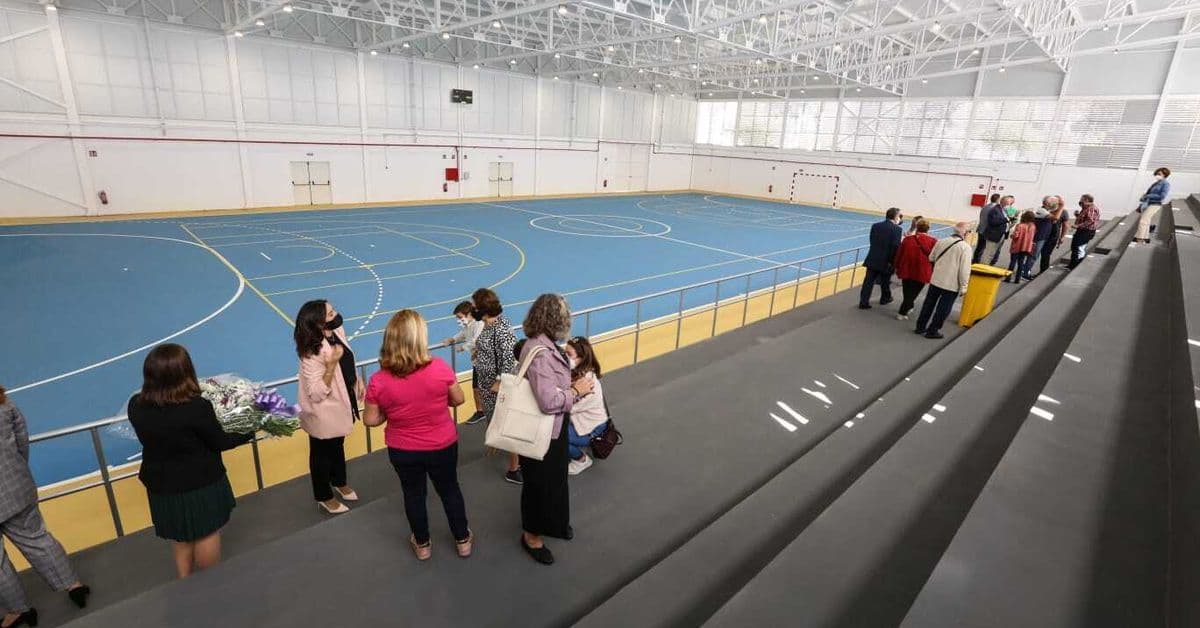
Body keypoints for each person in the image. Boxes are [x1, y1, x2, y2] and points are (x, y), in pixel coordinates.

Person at [127, 344, 254, 579]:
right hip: (200, 484)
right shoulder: (196, 407)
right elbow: (220, 441)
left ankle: (184, 581)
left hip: (162, 486)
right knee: (207, 533)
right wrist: (249, 429)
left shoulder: (136, 405)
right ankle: (208, 585)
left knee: (181, 536)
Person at [364, 310, 472, 561]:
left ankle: (422, 544)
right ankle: (462, 540)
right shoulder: (440, 368)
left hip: (403, 449)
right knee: (449, 490)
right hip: (442, 444)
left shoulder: (378, 380)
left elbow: (370, 419)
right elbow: (458, 399)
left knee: (413, 494)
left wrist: (391, 413)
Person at [0, 386, 90, 628]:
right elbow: (22, 440)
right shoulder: (5, 405)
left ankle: (18, 610)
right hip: (17, 488)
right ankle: (73, 585)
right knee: (37, 538)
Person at [518, 294, 594, 565]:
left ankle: (555, 523)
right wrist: (576, 390)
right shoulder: (540, 351)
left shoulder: (546, 345)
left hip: (554, 428)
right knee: (539, 484)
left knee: (556, 479)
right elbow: (549, 401)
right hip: (542, 429)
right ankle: (531, 535)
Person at [294, 300, 360, 515]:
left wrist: (356, 379)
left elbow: (347, 356)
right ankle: (323, 495)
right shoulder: (311, 353)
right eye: (331, 313)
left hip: (342, 401)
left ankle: (339, 481)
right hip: (323, 411)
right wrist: (330, 366)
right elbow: (316, 392)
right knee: (322, 452)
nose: (337, 314)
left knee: (338, 443)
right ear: (319, 323)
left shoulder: (336, 330)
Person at [468, 288, 521, 484]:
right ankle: (496, 444)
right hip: (487, 387)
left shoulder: (501, 329)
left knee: (508, 425)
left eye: (474, 307)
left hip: (498, 389)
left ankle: (515, 468)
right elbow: (490, 349)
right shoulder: (488, 325)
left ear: (483, 308)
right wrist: (479, 353)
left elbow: (509, 359)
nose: (472, 309)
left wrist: (500, 383)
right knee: (496, 421)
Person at [914, 222, 972, 340]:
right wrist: (964, 286)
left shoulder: (941, 241)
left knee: (928, 304)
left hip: (936, 279)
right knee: (943, 308)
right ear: (964, 233)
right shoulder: (965, 248)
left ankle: (920, 326)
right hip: (951, 283)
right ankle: (933, 330)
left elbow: (931, 257)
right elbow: (964, 270)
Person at [564, 337, 608, 475]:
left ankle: (581, 460)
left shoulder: (588, 383)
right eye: (564, 352)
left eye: (569, 355)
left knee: (554, 439)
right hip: (580, 420)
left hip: (593, 428)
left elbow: (567, 407)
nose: (564, 357)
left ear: (581, 359)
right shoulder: (575, 373)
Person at [443, 301, 485, 423]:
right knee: (476, 387)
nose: (458, 320)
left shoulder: (478, 324)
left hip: (484, 361)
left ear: (469, 314)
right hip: (477, 361)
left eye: (460, 317)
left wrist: (462, 348)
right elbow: (463, 334)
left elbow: (476, 341)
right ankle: (480, 411)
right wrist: (452, 339)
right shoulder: (469, 325)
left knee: (486, 387)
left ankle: (489, 410)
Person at [892, 218, 938, 321]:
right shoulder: (933, 241)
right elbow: (935, 258)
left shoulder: (908, 239)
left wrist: (896, 266)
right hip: (922, 271)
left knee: (907, 291)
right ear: (928, 229)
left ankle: (909, 306)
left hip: (906, 269)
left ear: (917, 228)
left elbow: (899, 254)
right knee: (913, 293)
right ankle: (902, 312)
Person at [858, 207, 904, 310]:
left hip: (873, 258)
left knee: (868, 282)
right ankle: (885, 298)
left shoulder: (876, 226)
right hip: (886, 261)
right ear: (896, 217)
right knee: (885, 281)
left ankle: (863, 302)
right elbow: (895, 246)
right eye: (900, 216)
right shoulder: (897, 229)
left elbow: (872, 240)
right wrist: (892, 262)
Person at [1135, 167, 1171, 243]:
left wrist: (1148, 196)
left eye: (1159, 174)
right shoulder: (1156, 183)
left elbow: (1162, 196)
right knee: (1146, 221)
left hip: (1156, 204)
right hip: (1149, 203)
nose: (1157, 175)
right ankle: (1144, 238)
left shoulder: (1166, 184)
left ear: (1165, 175)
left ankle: (1139, 239)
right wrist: (1144, 196)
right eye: (1157, 174)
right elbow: (1149, 192)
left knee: (1143, 221)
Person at [1028, 196, 1057, 275]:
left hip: (1042, 236)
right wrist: (1061, 207)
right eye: (1054, 203)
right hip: (1039, 236)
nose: (1055, 204)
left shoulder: (1046, 211)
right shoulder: (1042, 211)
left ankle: (1026, 269)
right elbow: (1055, 218)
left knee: (1035, 255)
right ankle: (1026, 271)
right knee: (1034, 255)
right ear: (1047, 203)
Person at [1070, 194, 1101, 269]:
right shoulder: (1086, 208)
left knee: (1079, 248)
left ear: (1086, 200)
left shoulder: (1091, 208)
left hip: (1086, 232)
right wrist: (1077, 215)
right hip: (1083, 231)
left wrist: (1078, 226)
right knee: (1075, 247)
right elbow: (1085, 218)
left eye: (1082, 199)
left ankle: (1076, 265)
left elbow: (1090, 221)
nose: (1080, 200)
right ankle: (1072, 265)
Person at [1006, 211, 1037, 284]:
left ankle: (1008, 277)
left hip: (1017, 246)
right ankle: (1017, 279)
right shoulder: (1033, 226)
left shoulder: (1020, 225)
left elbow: (1016, 235)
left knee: (1012, 262)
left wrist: (1011, 236)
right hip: (1026, 248)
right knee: (1021, 263)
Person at [977, 197, 1009, 267]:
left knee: (991, 253)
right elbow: (993, 222)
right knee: (987, 253)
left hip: (1000, 235)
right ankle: (982, 268)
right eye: (1008, 203)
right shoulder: (995, 210)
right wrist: (1005, 220)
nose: (1009, 205)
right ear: (1003, 202)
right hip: (993, 235)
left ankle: (985, 267)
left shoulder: (1003, 210)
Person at [973, 193, 1001, 263]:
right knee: (985, 249)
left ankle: (975, 260)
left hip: (981, 229)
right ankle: (979, 263)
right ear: (998, 200)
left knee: (979, 247)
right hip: (987, 231)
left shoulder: (985, 206)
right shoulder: (995, 209)